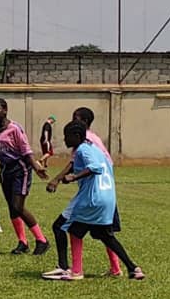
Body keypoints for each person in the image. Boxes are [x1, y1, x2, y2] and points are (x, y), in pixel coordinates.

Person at [42, 121, 145, 282]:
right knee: (104, 235)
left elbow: (96, 167)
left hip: (92, 199)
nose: (64, 140)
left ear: (76, 136)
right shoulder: (97, 149)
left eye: (66, 136)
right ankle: (133, 268)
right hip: (108, 199)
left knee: (63, 227)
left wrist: (73, 177)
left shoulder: (83, 149)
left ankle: (71, 270)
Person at [45, 107, 122, 277]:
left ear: (85, 123)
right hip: (105, 191)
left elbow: (87, 165)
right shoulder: (88, 140)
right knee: (105, 232)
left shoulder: (87, 142)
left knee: (69, 227)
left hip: (94, 193)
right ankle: (117, 268)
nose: (72, 122)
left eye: (76, 118)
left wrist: (60, 179)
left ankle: (71, 268)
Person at [0, 98, 50, 255]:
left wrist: (35, 166)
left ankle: (42, 240)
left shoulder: (15, 129)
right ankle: (22, 242)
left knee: (17, 206)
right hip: (5, 171)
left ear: (5, 110)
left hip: (20, 169)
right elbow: (1, 153)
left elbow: (26, 150)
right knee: (12, 208)